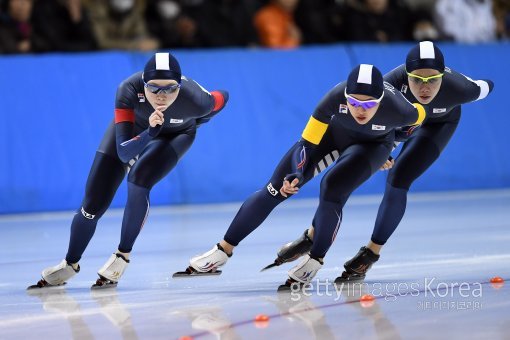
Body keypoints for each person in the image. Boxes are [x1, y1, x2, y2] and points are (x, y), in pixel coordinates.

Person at [174, 64, 426, 290]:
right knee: (274, 189)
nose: (361, 110)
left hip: (372, 147)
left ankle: (314, 260)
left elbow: (418, 120)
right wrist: (297, 171)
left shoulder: (400, 108)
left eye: (369, 104)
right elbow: (307, 143)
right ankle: (222, 251)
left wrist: (391, 147)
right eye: (355, 103)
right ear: (346, 97)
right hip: (332, 137)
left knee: (332, 190)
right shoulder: (333, 98)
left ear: (381, 100)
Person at [274, 41, 495, 283]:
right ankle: (314, 235)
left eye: (433, 79)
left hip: (436, 126)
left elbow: (486, 86)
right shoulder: (391, 85)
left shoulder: (462, 89)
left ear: (443, 75)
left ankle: (371, 253)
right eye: (416, 79)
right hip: (398, 127)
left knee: (399, 178)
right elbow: (379, 124)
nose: (425, 87)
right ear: (405, 74)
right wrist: (383, 149)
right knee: (343, 178)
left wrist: (469, 81)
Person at [28, 52, 229, 289]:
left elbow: (223, 97)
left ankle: (122, 255)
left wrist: (198, 119)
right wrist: (150, 132)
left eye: (170, 89)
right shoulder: (128, 89)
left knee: (138, 180)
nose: (162, 96)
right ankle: (70, 263)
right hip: (134, 132)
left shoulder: (196, 99)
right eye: (154, 88)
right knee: (92, 204)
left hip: (176, 136)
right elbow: (124, 152)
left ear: (180, 86)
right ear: (144, 85)